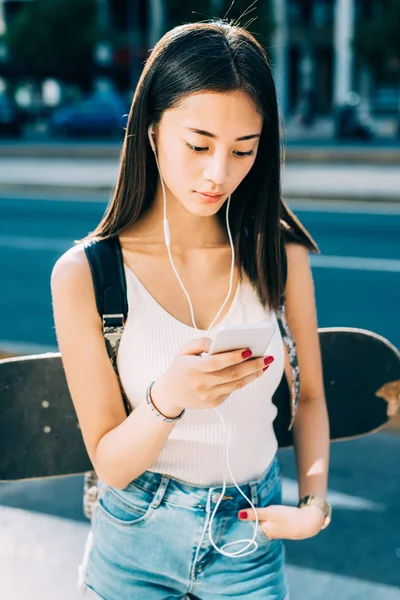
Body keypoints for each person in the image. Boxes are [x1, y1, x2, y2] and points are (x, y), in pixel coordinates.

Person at [51, 19, 330, 600]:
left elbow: (311, 400)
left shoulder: (278, 253)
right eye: (198, 145)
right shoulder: (87, 274)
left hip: (251, 541)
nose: (218, 173)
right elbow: (112, 465)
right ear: (151, 131)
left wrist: (313, 503)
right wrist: (168, 397)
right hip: (133, 542)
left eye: (243, 150)